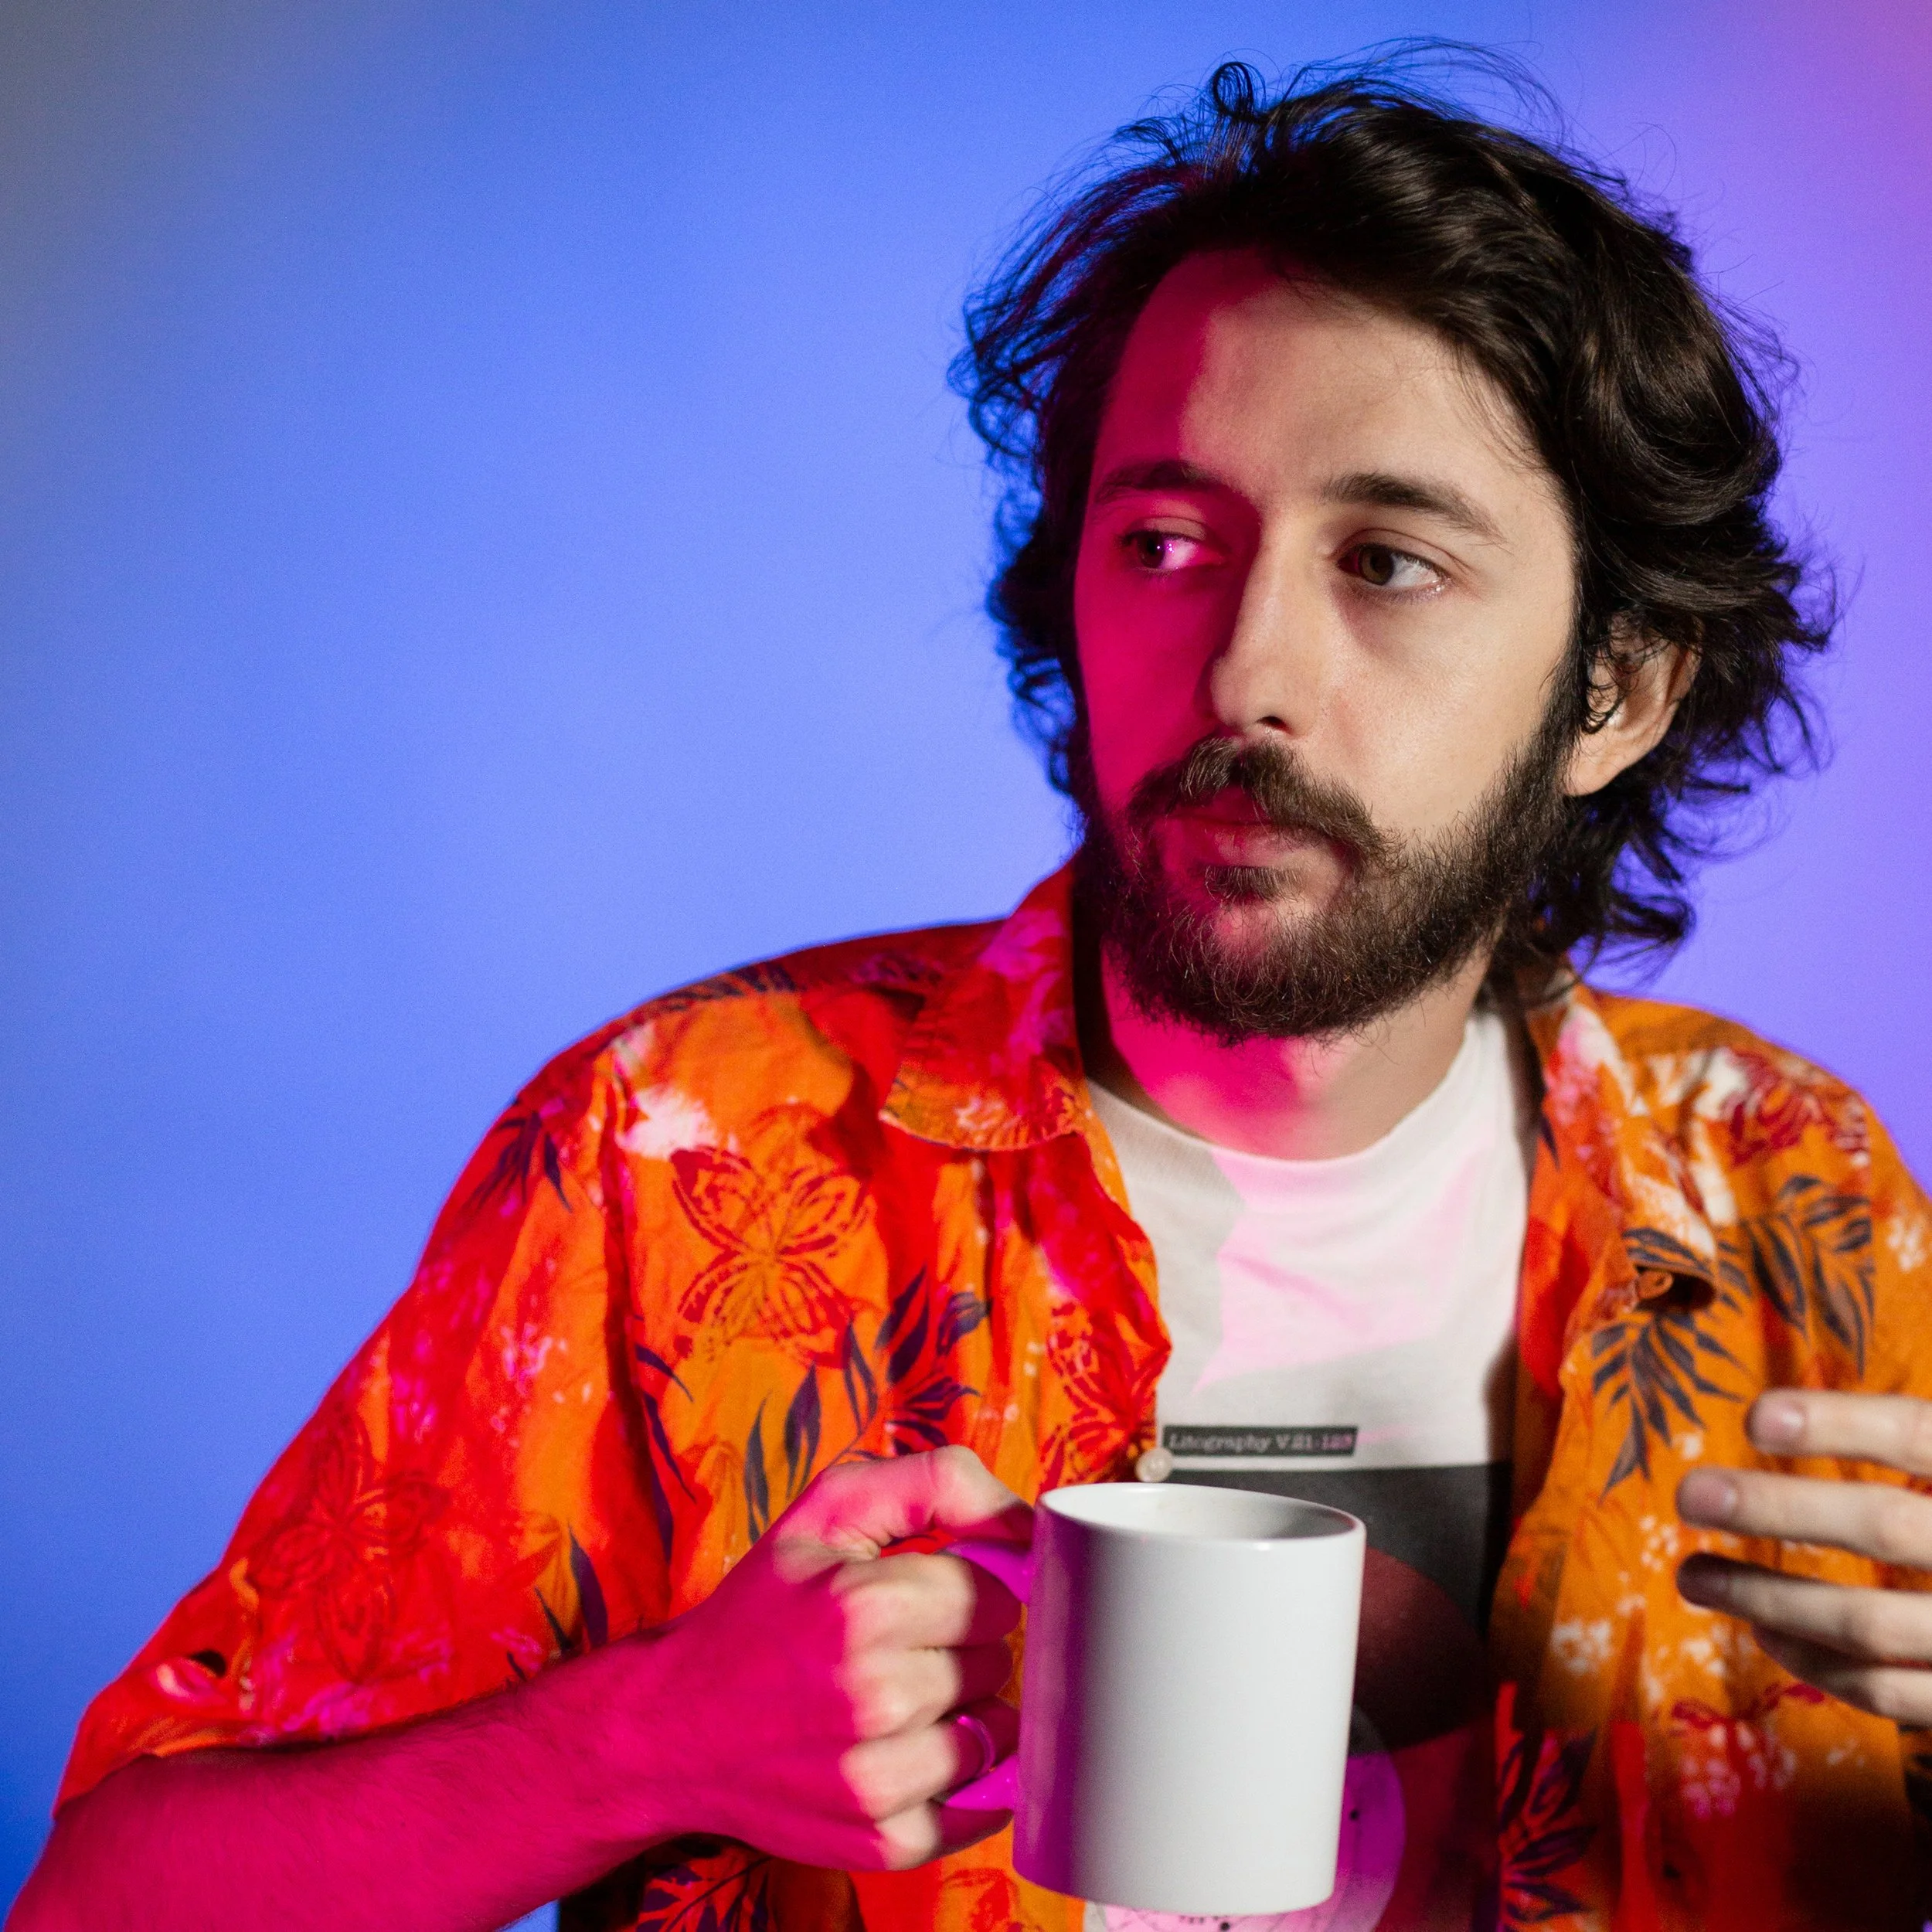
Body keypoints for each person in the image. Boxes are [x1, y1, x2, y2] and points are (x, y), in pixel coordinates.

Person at [12, 54, 1932, 1932]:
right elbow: (105, 1901)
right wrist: (634, 1743)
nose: (1244, 670)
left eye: (1388, 562)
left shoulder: (1788, 1194)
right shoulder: (679, 1158)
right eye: (1162, 543)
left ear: (1615, 690)